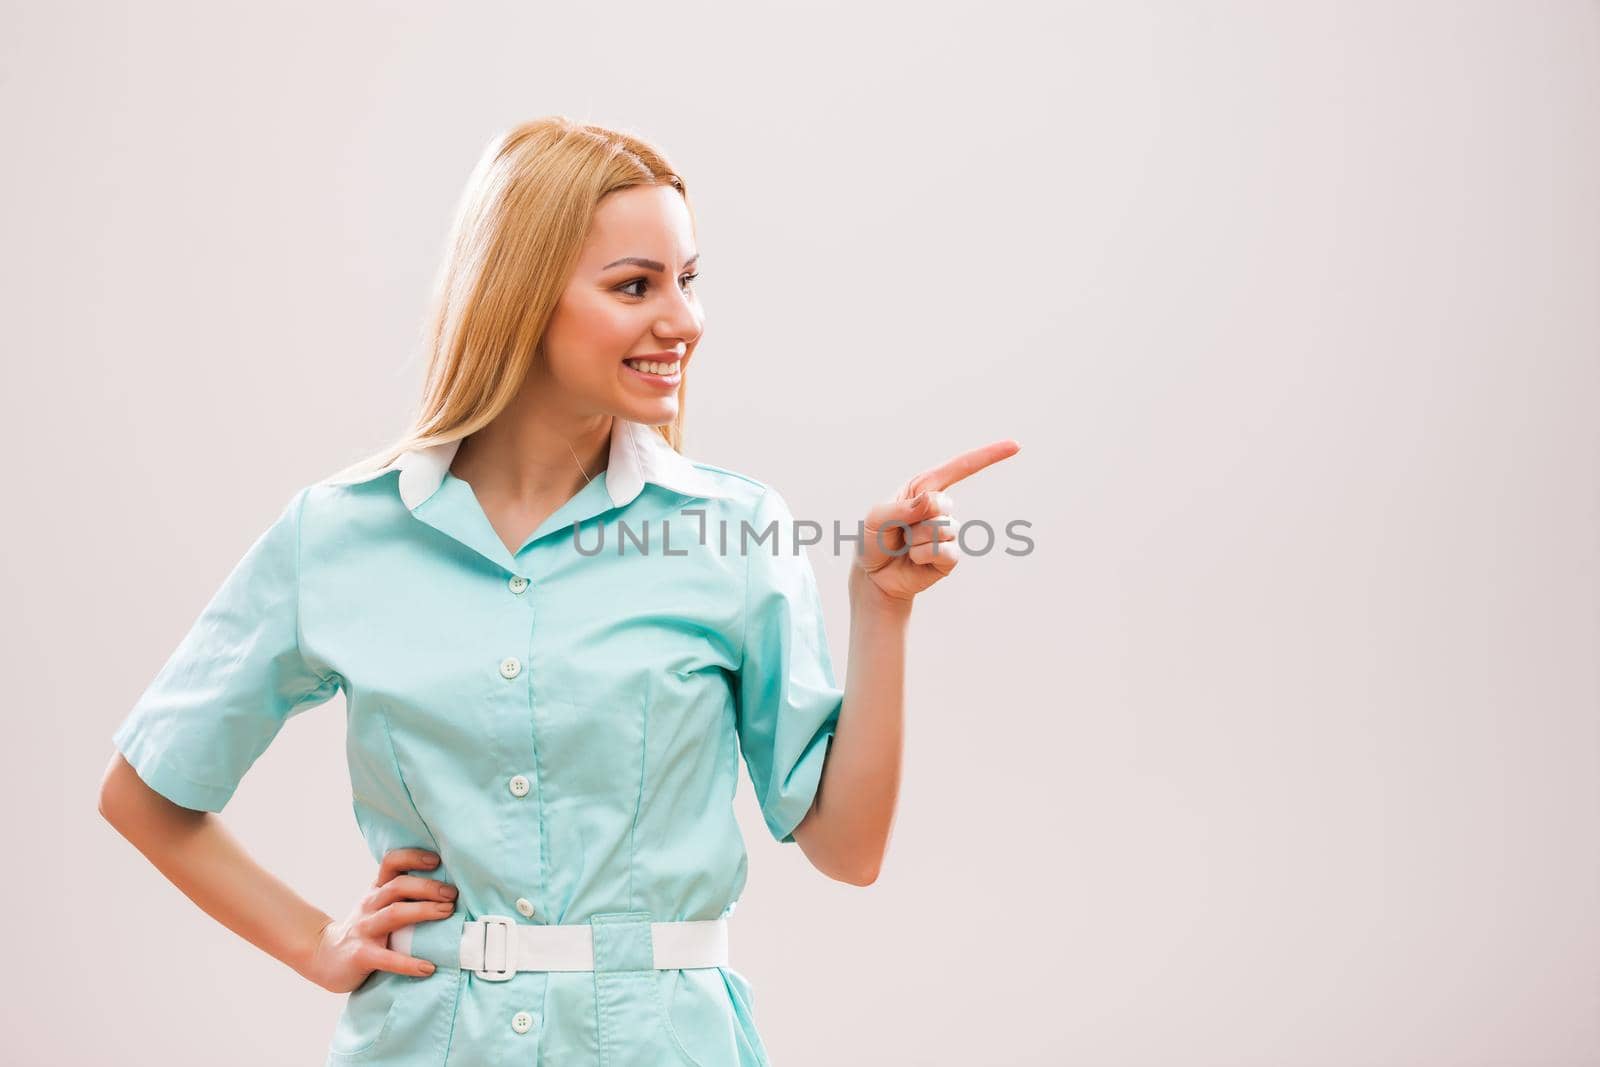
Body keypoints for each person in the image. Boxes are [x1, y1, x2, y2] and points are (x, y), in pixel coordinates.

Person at [97, 116, 1019, 1066]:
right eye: (635, 286)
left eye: (687, 280)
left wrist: (883, 607)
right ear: (521, 296)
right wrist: (312, 940)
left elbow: (847, 849)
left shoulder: (733, 532)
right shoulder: (337, 535)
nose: (685, 320)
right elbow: (146, 791)